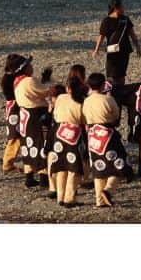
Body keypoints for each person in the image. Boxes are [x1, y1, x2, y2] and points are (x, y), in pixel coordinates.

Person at [83, 72, 131, 208]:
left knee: (98, 167)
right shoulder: (108, 99)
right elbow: (116, 115)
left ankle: (99, 201)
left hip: (92, 134)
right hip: (107, 133)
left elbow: (84, 117)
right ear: (103, 85)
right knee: (119, 164)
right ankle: (108, 190)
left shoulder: (86, 101)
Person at [14, 57, 57, 189]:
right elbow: (45, 91)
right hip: (35, 116)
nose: (32, 67)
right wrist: (53, 88)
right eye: (29, 65)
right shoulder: (29, 81)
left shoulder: (17, 81)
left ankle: (29, 176)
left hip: (24, 115)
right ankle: (44, 178)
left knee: (27, 145)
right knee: (40, 144)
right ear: (25, 68)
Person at [49, 72, 88, 208]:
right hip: (74, 134)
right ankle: (69, 198)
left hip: (59, 133)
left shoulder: (60, 98)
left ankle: (60, 196)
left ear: (68, 88)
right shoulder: (82, 101)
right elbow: (84, 120)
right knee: (74, 168)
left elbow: (55, 113)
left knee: (61, 167)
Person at [94, 0, 139, 87]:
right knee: (111, 73)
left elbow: (132, 34)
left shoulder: (125, 19)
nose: (123, 8)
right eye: (122, 7)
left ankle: (121, 90)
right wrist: (96, 50)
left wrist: (137, 46)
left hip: (124, 50)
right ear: (115, 8)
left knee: (122, 73)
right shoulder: (106, 21)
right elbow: (101, 36)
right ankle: (111, 91)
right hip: (113, 51)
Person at [1, 53, 29, 173]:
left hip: (14, 107)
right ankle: (7, 163)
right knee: (14, 136)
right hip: (14, 108)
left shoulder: (8, 78)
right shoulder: (9, 80)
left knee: (16, 136)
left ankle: (10, 162)